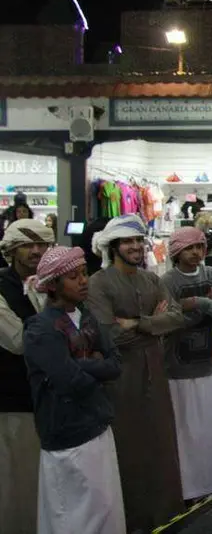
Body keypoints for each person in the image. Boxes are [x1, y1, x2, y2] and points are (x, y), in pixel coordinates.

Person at [86, 214, 186, 532]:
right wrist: (153, 326)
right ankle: (129, 520)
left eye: (138, 241)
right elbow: (109, 335)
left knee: (160, 445)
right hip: (120, 380)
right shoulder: (98, 284)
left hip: (155, 374)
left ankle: (165, 515)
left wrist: (136, 322)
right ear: (113, 246)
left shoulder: (152, 280)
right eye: (128, 241)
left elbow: (177, 317)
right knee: (127, 449)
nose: (135, 247)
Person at [24, 247, 125, 534]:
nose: (83, 281)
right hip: (67, 435)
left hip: (98, 425)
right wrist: (92, 364)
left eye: (84, 274)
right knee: (74, 517)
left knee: (105, 508)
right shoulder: (40, 330)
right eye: (73, 276)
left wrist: (79, 363)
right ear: (53, 285)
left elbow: (116, 364)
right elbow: (70, 382)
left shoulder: (87, 316)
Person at [160, 227, 212, 502]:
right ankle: (188, 489)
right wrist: (204, 308)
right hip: (177, 370)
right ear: (177, 251)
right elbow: (170, 321)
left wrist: (195, 302)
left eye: (200, 247)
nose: (196, 253)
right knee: (185, 431)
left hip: (209, 365)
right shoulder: (167, 281)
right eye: (190, 248)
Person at [0, 219, 53, 533]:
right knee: (18, 482)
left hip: (51, 399)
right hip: (14, 400)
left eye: (42, 244)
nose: (35, 251)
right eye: (27, 245)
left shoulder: (51, 281)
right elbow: (19, 341)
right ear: (12, 249)